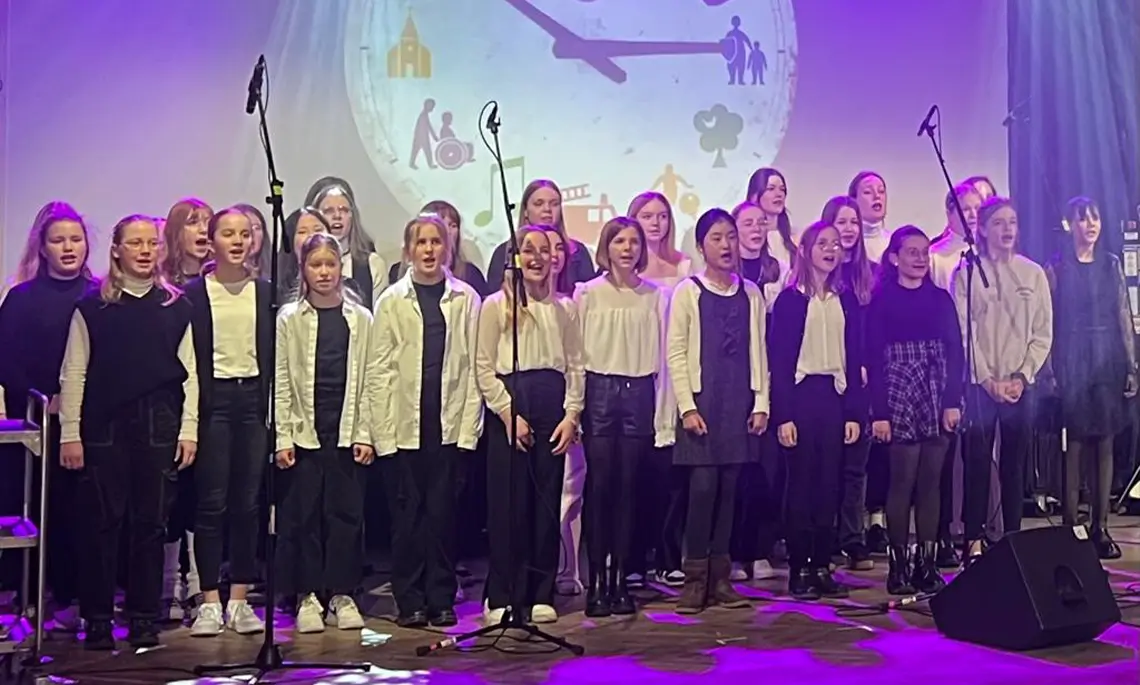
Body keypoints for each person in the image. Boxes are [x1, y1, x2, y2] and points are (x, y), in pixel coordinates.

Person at [58, 214, 199, 650]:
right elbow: (74, 372)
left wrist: (189, 428)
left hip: (158, 422)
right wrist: (69, 432)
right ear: (116, 250)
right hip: (104, 424)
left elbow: (189, 374)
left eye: (151, 243)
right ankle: (98, 617)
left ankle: (143, 616)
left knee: (149, 524)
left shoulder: (175, 307)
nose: (144, 250)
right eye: (134, 243)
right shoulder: (92, 307)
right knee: (101, 523)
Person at [371, 214, 483, 628]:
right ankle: (410, 600)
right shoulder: (391, 302)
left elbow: (473, 366)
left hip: (448, 427)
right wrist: (382, 434)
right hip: (403, 428)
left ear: (447, 248)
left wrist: (470, 429)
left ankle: (441, 597)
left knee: (443, 517)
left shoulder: (466, 299)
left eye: (437, 242)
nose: (430, 250)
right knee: (407, 520)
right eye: (421, 242)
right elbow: (379, 370)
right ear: (408, 250)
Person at [475, 225, 583, 625]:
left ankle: (541, 591)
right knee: (508, 503)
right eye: (528, 250)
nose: (538, 257)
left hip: (551, 405)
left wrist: (572, 414)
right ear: (515, 257)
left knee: (544, 501)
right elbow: (483, 366)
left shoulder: (565, 308)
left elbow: (575, 365)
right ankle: (502, 594)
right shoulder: (495, 306)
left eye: (546, 250)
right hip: (511, 404)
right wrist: (507, 412)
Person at [273, 233, 376, 633]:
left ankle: (342, 593)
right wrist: (283, 436)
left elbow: (370, 377)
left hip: (347, 428)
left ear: (341, 268)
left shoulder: (360, 319)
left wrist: (365, 432)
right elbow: (282, 379)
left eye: (330, 264)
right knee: (304, 517)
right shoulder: (289, 319)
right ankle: (308, 595)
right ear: (304, 269)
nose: (323, 272)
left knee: (345, 515)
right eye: (315, 265)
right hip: (305, 431)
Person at [667, 208, 767, 614]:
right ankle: (694, 579)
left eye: (730, 237)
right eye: (716, 238)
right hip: (703, 402)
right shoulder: (688, 291)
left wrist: (761, 402)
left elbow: (758, 351)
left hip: (737, 401)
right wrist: (687, 406)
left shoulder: (751, 293)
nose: (726, 245)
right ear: (702, 246)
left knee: (730, 490)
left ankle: (721, 577)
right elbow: (676, 351)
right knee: (703, 489)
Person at [0, 202, 94, 630]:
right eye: (59, 240)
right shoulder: (21, 298)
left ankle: (77, 598)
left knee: (80, 513)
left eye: (75, 239)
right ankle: (33, 597)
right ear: (43, 246)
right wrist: (43, 398)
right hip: (34, 424)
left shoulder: (96, 295)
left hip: (85, 423)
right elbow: (5, 360)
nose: (69, 247)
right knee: (36, 511)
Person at [183, 208, 272, 637]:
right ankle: (208, 601)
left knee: (247, 503)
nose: (237, 241)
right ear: (212, 241)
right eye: (227, 234)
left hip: (253, 400)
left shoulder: (265, 292)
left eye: (244, 234)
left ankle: (239, 599)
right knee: (211, 502)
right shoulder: (194, 293)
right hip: (214, 402)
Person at [574, 217, 667, 617]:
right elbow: (576, 356)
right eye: (619, 241)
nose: (627, 249)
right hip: (599, 392)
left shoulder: (655, 296)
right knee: (600, 488)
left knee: (629, 489)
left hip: (638, 393)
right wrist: (575, 406)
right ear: (606, 247)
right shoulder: (587, 294)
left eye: (634, 242)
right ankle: (596, 580)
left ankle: (619, 579)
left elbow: (662, 358)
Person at [952, 197, 1052, 563]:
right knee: (977, 462)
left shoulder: (1033, 273)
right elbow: (964, 331)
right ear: (981, 229)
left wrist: (1022, 376)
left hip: (1018, 385)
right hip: (981, 386)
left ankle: (1012, 539)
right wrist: (986, 379)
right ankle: (974, 539)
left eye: (1012, 222)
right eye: (998, 223)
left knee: (1015, 464)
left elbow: (1042, 332)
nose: (1007, 229)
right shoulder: (966, 273)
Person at [769, 221, 863, 600]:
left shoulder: (847, 299)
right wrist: (784, 415)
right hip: (800, 396)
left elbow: (854, 357)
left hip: (834, 397)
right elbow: (780, 358)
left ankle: (823, 563)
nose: (831, 250)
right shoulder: (791, 300)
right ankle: (800, 567)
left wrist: (855, 412)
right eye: (822, 243)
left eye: (836, 244)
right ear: (805, 250)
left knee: (830, 484)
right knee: (802, 486)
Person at [866, 226, 963, 595]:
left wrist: (952, 400)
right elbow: (873, 358)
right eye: (911, 251)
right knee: (902, 481)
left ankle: (927, 562)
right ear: (894, 257)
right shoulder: (882, 301)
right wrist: (880, 412)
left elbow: (955, 350)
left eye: (924, 251)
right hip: (898, 390)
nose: (920, 258)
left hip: (935, 389)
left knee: (930, 483)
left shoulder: (940, 299)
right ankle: (898, 562)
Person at [1046, 197, 1134, 560]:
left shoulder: (1111, 265)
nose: (1091, 225)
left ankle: (1101, 526)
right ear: (1071, 225)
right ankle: (1071, 528)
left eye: (1095, 218)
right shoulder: (1057, 268)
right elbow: (1048, 320)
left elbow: (1123, 315)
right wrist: (1049, 368)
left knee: (1105, 444)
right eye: (1083, 219)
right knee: (1075, 446)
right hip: (1071, 356)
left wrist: (1131, 365)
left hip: (1107, 357)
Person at [627, 192, 690, 589]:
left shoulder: (682, 265)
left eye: (662, 216)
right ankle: (633, 557)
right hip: (636, 369)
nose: (655, 223)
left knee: (669, 474)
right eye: (646, 216)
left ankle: (669, 556)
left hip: (672, 372)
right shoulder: (627, 269)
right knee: (633, 474)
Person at [158, 197, 214, 620]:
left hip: (213, 400)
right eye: (192, 223)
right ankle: (166, 583)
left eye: (207, 223)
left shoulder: (220, 282)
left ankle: (198, 580)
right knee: (170, 495)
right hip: (169, 403)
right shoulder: (163, 287)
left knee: (201, 494)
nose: (201, 231)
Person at [727, 200, 784, 583]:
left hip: (770, 373)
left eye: (761, 223)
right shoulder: (724, 275)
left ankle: (760, 550)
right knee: (735, 470)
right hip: (733, 376)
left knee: (767, 468)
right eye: (747, 223)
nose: (756, 228)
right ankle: (732, 552)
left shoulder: (776, 270)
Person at [821, 196, 876, 570]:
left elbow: (877, 329)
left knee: (856, 464)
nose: (849, 229)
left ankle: (853, 537)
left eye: (854, 222)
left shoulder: (870, 274)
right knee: (826, 463)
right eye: (841, 222)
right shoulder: (821, 275)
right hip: (828, 378)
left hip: (863, 379)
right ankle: (824, 536)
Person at [485, 179, 596, 291]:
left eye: (554, 204)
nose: (547, 209)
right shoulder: (506, 251)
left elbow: (588, 296)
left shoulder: (577, 252)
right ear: (526, 211)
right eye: (539, 204)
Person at [304, 176, 389, 309]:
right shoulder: (300, 264)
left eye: (343, 210)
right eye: (328, 211)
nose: (337, 216)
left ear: (352, 216)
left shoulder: (373, 265)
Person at [388, 200, 490, 296]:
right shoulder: (396, 274)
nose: (447, 231)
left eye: (453, 225)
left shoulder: (470, 274)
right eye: (441, 224)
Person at [930, 183, 983, 291]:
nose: (973, 215)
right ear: (949, 215)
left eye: (977, 208)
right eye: (966, 209)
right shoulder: (934, 255)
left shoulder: (991, 250)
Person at [745, 168, 795, 265]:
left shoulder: (793, 239)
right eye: (771, 189)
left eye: (782, 189)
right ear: (754, 196)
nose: (779, 194)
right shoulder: (746, 238)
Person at [848, 171, 890, 262]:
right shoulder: (847, 244)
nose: (877, 196)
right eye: (868, 192)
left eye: (881, 191)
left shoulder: (893, 243)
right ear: (854, 200)